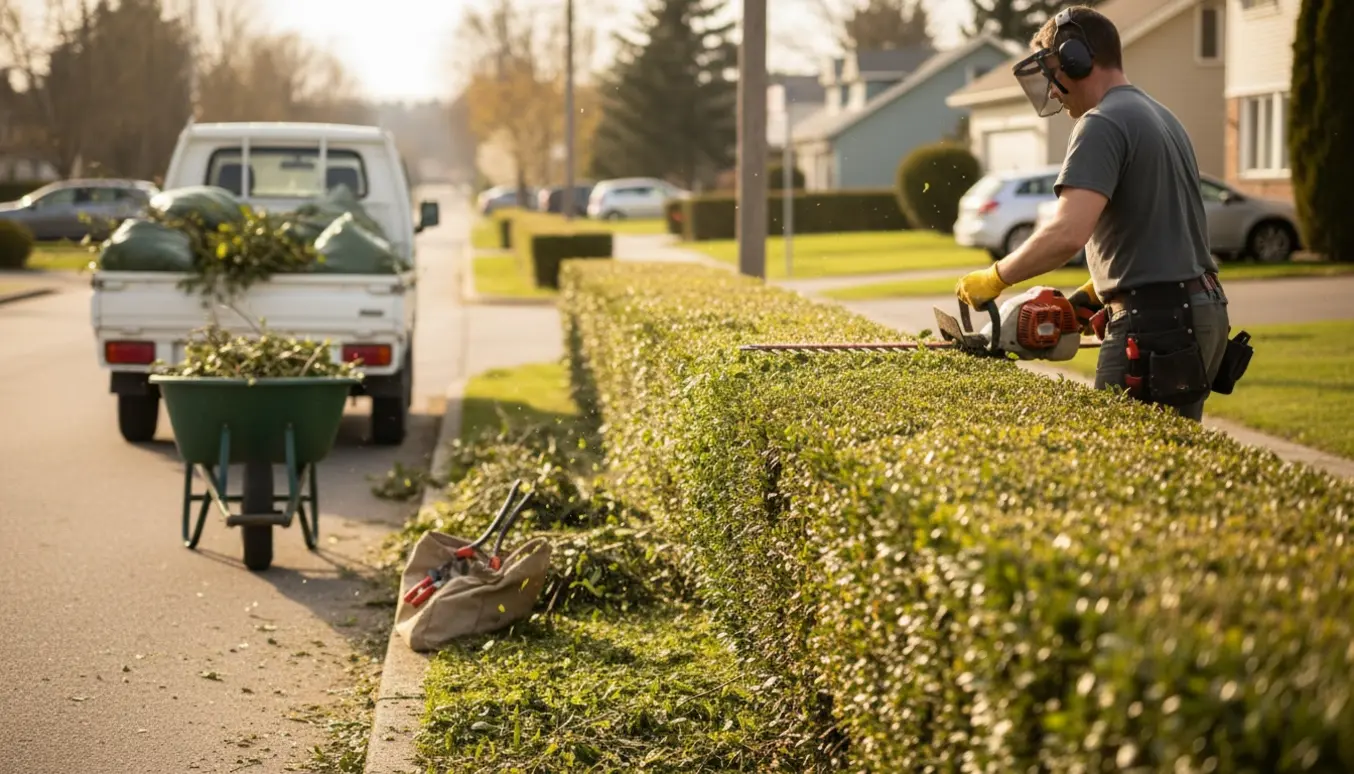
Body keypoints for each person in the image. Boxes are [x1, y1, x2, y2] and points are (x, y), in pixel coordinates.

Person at [953, 5, 1231, 422]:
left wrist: (995, 277)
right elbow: (1156, 230)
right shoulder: (1162, 117)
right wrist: (1092, 295)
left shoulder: (1102, 122)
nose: (1052, 89)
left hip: (1156, 323)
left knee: (1127, 466)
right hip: (1200, 310)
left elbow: (1067, 233)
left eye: (1052, 71)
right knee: (1169, 464)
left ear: (1076, 59)